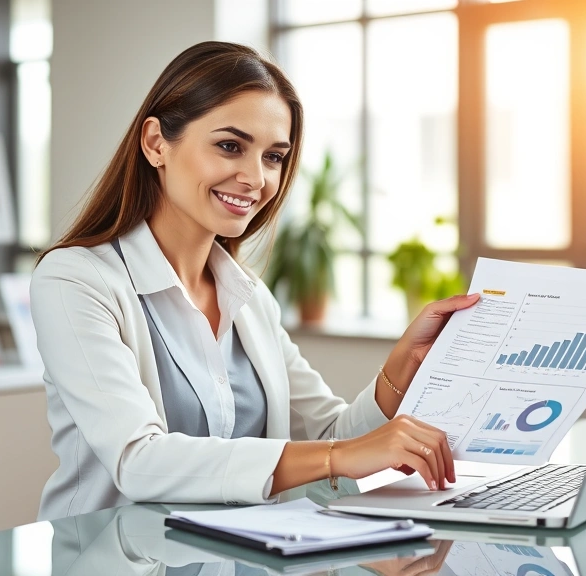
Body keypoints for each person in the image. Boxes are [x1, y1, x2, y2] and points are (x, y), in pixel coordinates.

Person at [31, 41, 480, 520]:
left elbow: (329, 437)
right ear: (156, 143)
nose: (256, 178)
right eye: (230, 146)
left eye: (273, 157)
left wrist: (402, 364)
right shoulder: (76, 281)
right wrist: (338, 456)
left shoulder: (249, 299)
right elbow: (137, 460)